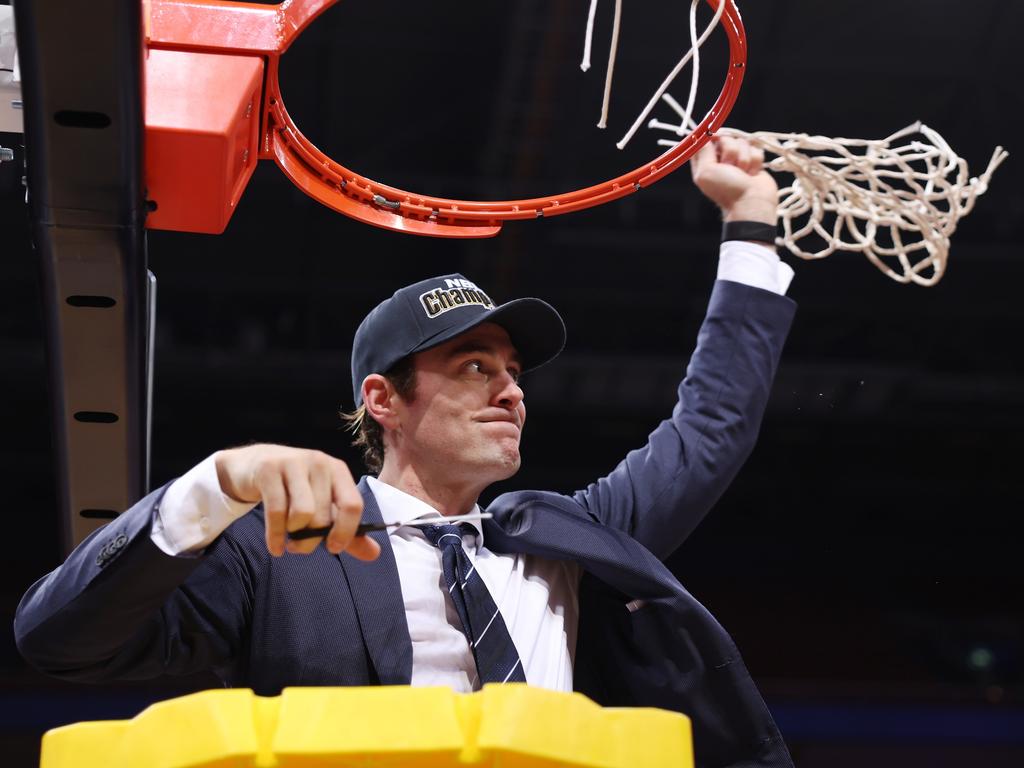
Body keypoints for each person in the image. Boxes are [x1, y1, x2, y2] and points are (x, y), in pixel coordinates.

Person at [16, 136, 797, 767]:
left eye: (515, 373)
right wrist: (219, 483)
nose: (512, 392)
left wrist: (751, 223)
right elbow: (60, 641)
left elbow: (711, 429)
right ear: (383, 401)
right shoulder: (281, 546)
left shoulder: (568, 535)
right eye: (475, 369)